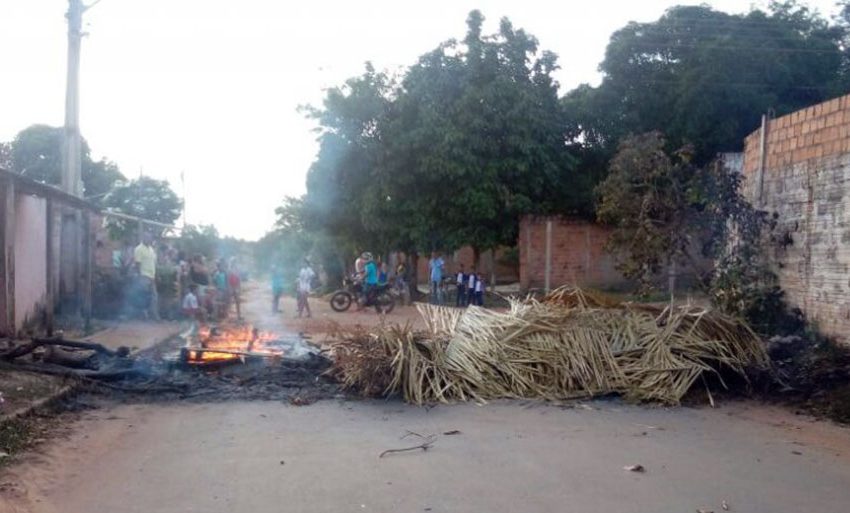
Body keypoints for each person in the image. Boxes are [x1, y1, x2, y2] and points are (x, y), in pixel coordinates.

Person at [133, 232, 160, 321]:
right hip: (144, 276)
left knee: (154, 297)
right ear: (143, 238)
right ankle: (144, 315)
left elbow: (154, 264)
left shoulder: (151, 250)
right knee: (144, 296)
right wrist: (139, 276)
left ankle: (154, 315)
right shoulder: (139, 249)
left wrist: (156, 275)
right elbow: (137, 264)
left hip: (152, 276)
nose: (149, 239)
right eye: (147, 237)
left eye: (150, 238)